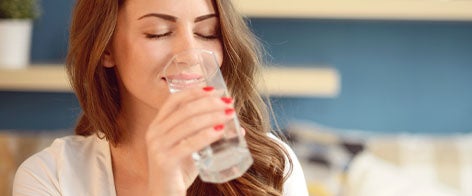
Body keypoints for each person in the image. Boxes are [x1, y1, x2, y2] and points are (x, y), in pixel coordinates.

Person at [13, 0, 308, 195]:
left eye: (207, 32)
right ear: (106, 49)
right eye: (158, 32)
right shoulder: (51, 178)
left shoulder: (272, 169)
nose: (190, 55)